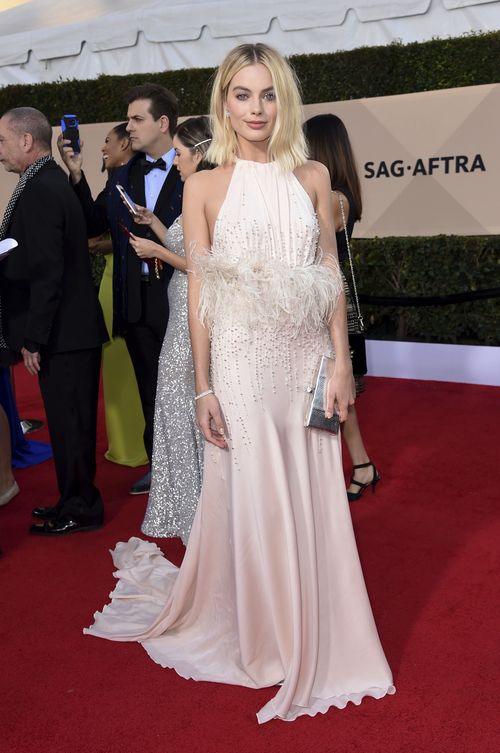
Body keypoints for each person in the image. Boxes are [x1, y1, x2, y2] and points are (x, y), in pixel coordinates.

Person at [85, 44, 394, 723]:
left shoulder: (313, 177)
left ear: (285, 100)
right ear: (223, 102)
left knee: (310, 489)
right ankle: (266, 634)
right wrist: (202, 386)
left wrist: (341, 363)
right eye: (243, 95)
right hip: (243, 367)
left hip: (304, 359)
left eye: (269, 95)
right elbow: (200, 299)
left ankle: (315, 619)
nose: (256, 109)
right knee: (255, 495)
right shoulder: (203, 186)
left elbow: (328, 280)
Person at [59, 84, 183, 495]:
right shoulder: (122, 175)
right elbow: (95, 224)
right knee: (150, 389)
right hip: (136, 302)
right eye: (127, 119)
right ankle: (162, 473)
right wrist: (76, 172)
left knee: (190, 387)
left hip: (182, 297)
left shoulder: (194, 169)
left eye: (137, 119)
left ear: (162, 124)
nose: (128, 126)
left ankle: (203, 469)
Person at [0, 107, 108, 535]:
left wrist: (33, 339)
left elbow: (49, 272)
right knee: (66, 423)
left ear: (27, 141)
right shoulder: (43, 180)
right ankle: (71, 498)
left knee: (73, 424)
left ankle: (82, 508)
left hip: (65, 331)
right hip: (68, 329)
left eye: (3, 141)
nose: (1, 151)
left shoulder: (42, 187)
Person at [124, 116, 212, 542]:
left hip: (191, 315)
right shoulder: (197, 194)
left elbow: (205, 266)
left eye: (181, 152)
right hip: (180, 310)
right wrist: (155, 223)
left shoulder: (209, 194)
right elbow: (187, 247)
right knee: (176, 408)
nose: (176, 160)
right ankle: (190, 509)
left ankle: (199, 513)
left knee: (184, 407)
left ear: (200, 153)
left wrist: (157, 249)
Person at [303, 113, 380, 501]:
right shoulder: (336, 193)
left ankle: (352, 467)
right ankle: (361, 464)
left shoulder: (334, 198)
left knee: (331, 390)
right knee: (330, 391)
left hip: (329, 299)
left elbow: (306, 245)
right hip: (319, 295)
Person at [89, 123, 149, 468]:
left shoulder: (134, 180)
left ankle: (139, 447)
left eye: (108, 142)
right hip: (111, 282)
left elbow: (133, 235)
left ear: (126, 143)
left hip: (128, 281)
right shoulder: (113, 182)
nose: (103, 148)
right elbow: (98, 223)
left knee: (132, 367)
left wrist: (99, 244)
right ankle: (127, 444)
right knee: (118, 368)